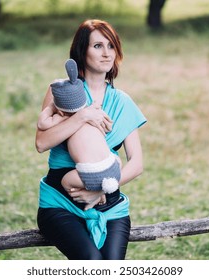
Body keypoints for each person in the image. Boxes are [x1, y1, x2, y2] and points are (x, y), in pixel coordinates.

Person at [35, 19, 146, 260]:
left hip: (110, 204)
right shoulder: (64, 92)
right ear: (81, 51)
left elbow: (136, 163)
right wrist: (82, 116)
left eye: (111, 46)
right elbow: (41, 143)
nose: (106, 53)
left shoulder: (123, 102)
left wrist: (101, 192)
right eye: (97, 46)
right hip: (61, 202)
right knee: (92, 263)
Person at [38, 58, 121, 210]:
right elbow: (108, 126)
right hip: (114, 166)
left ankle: (95, 191)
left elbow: (42, 123)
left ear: (60, 109)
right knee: (113, 160)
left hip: (92, 174)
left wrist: (51, 107)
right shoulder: (93, 111)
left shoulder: (59, 118)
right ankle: (103, 188)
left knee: (65, 182)